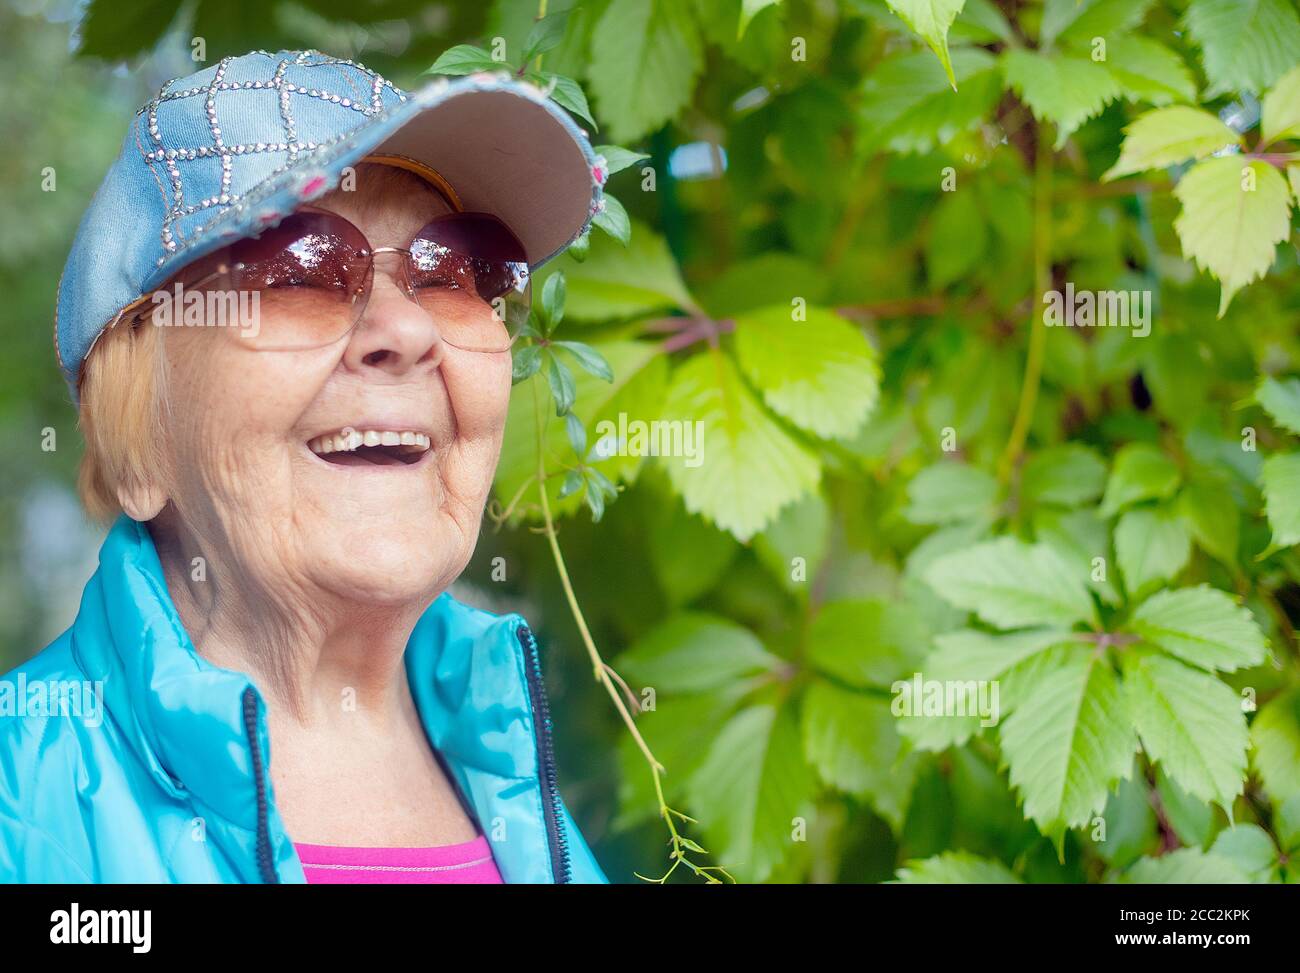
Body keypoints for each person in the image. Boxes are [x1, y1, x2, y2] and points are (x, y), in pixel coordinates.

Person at [0, 49, 610, 883]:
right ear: (139, 430)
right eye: (297, 270)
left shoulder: (509, 774)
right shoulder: (18, 801)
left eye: (458, 270)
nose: (411, 329)